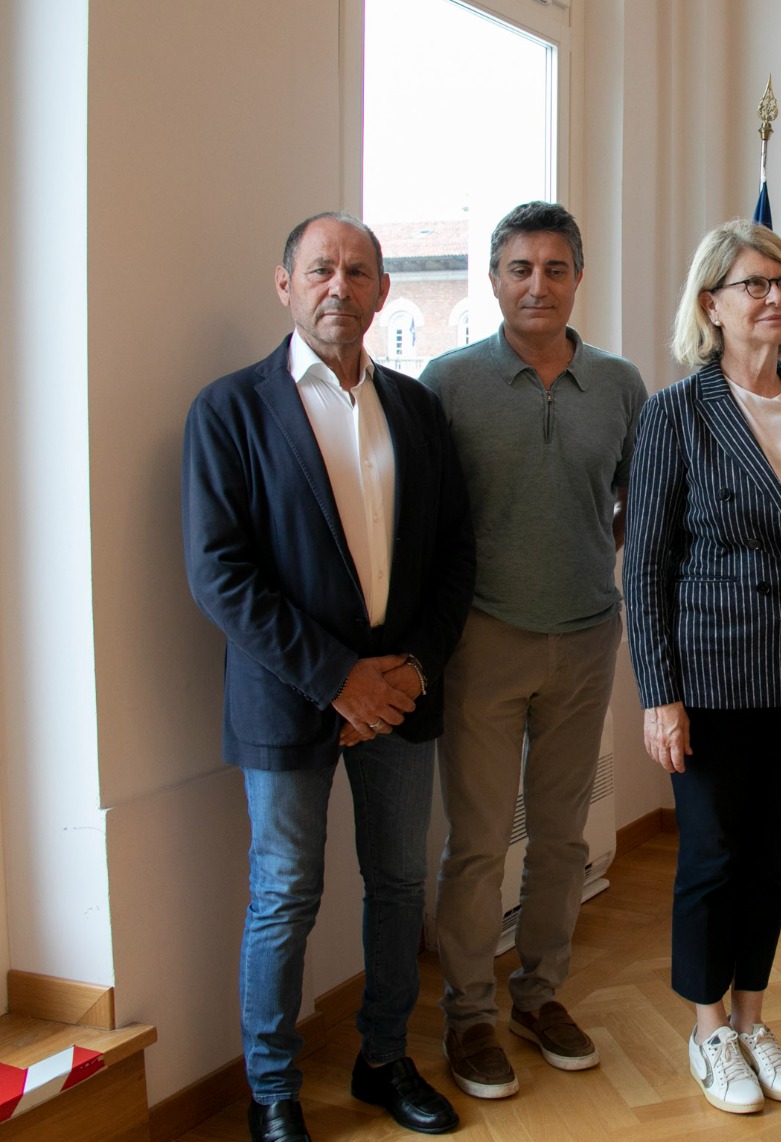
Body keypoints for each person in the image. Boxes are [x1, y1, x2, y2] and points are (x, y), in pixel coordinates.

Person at [182, 212, 474, 1142]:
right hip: (288, 700)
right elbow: (218, 572)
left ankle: (383, 1058)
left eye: (357, 272)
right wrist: (338, 679)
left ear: (383, 291)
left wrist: (407, 673)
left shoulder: (419, 410)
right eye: (320, 270)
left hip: (402, 695)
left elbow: (455, 557)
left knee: (396, 886)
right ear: (284, 285)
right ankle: (273, 1092)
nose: (338, 287)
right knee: (285, 896)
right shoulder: (229, 410)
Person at [419, 201, 647, 1099]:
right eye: (520, 268)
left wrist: (598, 552)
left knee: (560, 840)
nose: (538, 285)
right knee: (477, 845)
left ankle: (538, 994)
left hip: (588, 638)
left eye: (555, 269)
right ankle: (468, 1017)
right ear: (494, 279)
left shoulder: (622, 384)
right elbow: (423, 519)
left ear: (578, 279)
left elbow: (641, 501)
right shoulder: (446, 383)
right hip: (483, 642)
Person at [623, 219, 781, 1116]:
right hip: (708, 680)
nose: (776, 297)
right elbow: (643, 567)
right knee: (712, 858)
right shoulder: (676, 413)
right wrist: (659, 694)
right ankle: (706, 1029)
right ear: (712, 305)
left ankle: (753, 1017)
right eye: (755, 284)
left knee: (770, 858)